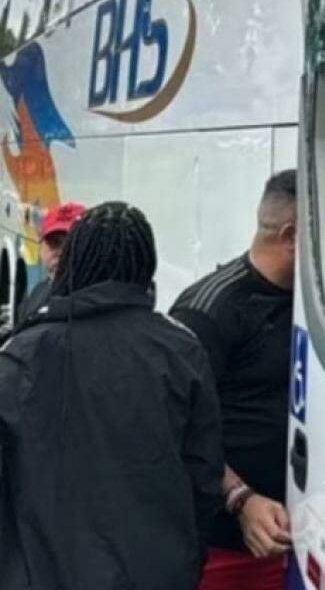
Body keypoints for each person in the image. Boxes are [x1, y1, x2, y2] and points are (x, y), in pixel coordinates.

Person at [0, 202, 224, 590]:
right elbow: (204, 476)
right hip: (157, 572)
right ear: (146, 266)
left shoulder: (22, 353)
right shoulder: (182, 350)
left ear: (74, 262)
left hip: (41, 573)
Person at [171, 170, 297, 590]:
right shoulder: (209, 310)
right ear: (291, 234)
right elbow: (174, 423)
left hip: (295, 539)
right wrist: (240, 500)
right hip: (224, 547)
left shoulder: (315, 307)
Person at [15, 202, 86, 329]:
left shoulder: (97, 300)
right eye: (54, 243)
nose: (62, 251)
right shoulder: (36, 295)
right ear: (41, 246)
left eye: (72, 243)